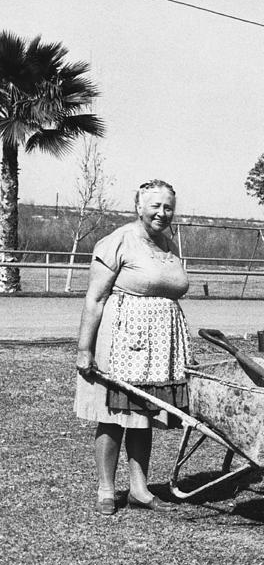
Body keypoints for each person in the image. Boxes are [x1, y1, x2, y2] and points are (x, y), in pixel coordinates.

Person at [75, 179, 191, 516]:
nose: (162, 212)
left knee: (144, 414)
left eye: (168, 206)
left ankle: (140, 489)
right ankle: (106, 490)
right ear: (138, 206)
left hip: (160, 344)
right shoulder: (117, 242)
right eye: (155, 205)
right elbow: (94, 299)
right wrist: (84, 349)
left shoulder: (168, 245)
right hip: (123, 340)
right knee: (112, 415)